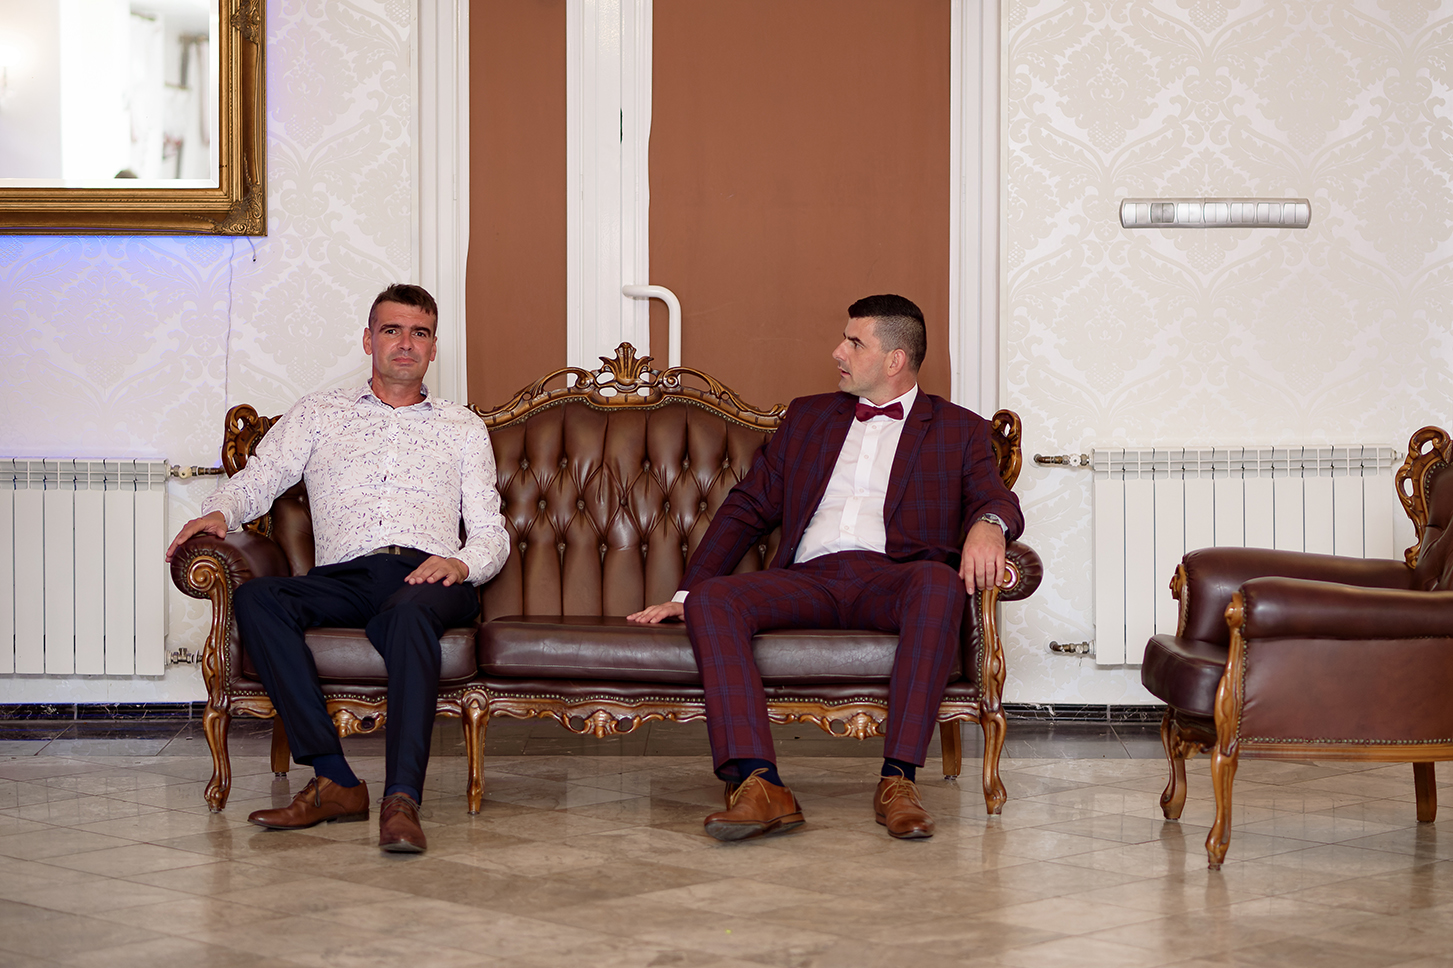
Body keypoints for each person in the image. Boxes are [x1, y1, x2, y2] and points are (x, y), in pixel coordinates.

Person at [628, 294, 1023, 842]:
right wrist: (687, 593)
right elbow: (748, 507)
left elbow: (997, 499)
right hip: (811, 577)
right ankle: (760, 784)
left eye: (854, 342)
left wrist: (989, 523)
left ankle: (898, 782)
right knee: (714, 599)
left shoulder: (960, 430)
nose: (838, 351)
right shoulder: (809, 417)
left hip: (894, 578)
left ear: (895, 360)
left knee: (939, 583)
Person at [165, 284, 509, 853]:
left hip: (431, 575)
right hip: (347, 576)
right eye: (392, 330)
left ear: (433, 347)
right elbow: (262, 476)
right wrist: (219, 512)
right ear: (369, 340)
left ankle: (402, 800)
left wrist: (459, 563)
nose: (405, 343)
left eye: (419, 333)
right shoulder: (320, 413)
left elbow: (490, 530)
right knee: (258, 598)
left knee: (406, 618)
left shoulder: (462, 427)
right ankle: (335, 780)